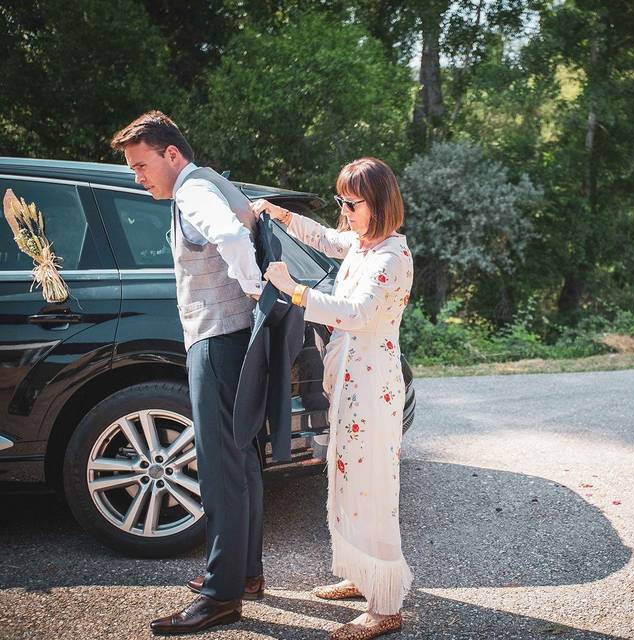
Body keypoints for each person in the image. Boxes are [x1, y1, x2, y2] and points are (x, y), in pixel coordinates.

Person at [111, 111, 266, 635]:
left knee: (221, 468)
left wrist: (251, 289)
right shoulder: (215, 182)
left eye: (141, 165)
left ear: (172, 154)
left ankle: (221, 596)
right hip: (235, 338)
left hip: (218, 339)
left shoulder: (193, 191)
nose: (137, 176)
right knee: (241, 459)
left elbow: (230, 236)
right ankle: (245, 575)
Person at [254, 157, 414, 640]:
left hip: (371, 387)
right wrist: (281, 216)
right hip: (350, 381)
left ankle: (385, 605)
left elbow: (357, 312)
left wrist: (295, 291)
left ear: (380, 204)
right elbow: (326, 237)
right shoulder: (364, 245)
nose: (344, 211)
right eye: (341, 200)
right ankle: (360, 575)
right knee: (347, 480)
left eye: (352, 202)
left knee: (371, 488)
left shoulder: (390, 258)